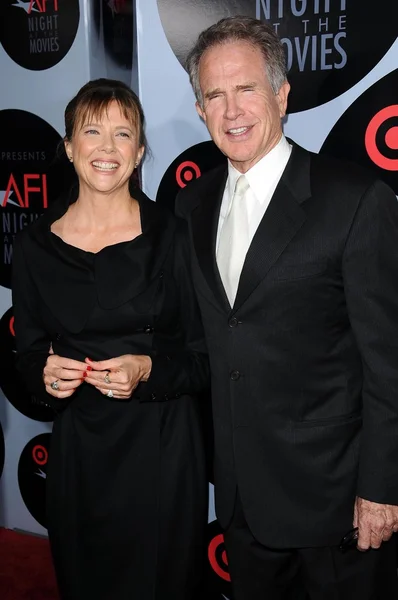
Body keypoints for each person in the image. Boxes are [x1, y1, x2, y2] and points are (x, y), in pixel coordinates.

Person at [176, 15, 398, 600]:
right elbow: (208, 342)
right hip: (242, 505)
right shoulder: (192, 207)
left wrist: (382, 488)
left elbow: (388, 363)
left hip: (337, 509)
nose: (232, 111)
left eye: (246, 89)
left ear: (281, 94)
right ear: (200, 110)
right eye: (214, 96)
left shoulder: (353, 199)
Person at [12, 78, 209, 600]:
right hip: (82, 453)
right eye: (91, 131)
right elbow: (27, 356)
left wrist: (146, 369)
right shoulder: (34, 247)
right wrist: (44, 375)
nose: (106, 148)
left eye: (123, 134)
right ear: (69, 145)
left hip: (163, 446)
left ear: (140, 151)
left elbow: (203, 358)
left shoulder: (174, 235)